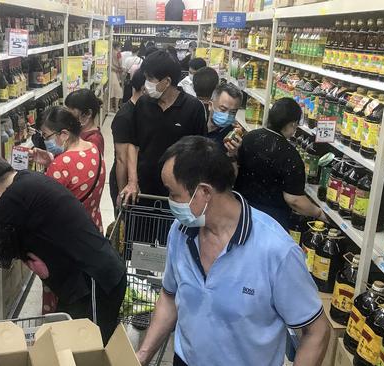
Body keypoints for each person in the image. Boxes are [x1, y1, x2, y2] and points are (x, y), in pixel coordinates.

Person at [136, 136, 330, 366]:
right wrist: (141, 356)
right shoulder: (181, 231)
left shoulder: (276, 251)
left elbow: (316, 332)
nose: (170, 201)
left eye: (174, 194)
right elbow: (169, 296)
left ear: (204, 193)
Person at [0, 154, 126, 343]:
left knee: (87, 350)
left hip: (95, 282)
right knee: (67, 344)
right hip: (85, 281)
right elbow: (1, 228)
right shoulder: (25, 181)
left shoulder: (13, 198)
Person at [31, 106, 107, 315]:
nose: (45, 140)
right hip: (91, 231)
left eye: (46, 136)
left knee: (61, 299)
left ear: (64, 134)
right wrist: (51, 160)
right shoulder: (93, 149)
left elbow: (43, 209)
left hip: (64, 244)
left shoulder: (62, 165)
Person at [120, 50, 207, 204]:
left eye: (149, 79)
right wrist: (133, 181)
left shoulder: (193, 108)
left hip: (178, 192)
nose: (146, 84)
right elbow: (133, 144)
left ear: (166, 81)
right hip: (144, 189)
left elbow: (200, 154)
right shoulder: (143, 104)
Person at [233, 98, 328, 229]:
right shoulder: (290, 155)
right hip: (270, 221)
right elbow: (294, 200)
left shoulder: (249, 137)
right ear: (292, 124)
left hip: (240, 209)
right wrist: (318, 212)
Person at [110, 70, 145, 209]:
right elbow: (121, 159)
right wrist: (122, 191)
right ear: (144, 88)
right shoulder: (125, 116)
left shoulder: (142, 110)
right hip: (122, 181)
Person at [64, 89, 105, 153]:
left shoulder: (94, 139)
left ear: (88, 113)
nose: (68, 113)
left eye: (72, 109)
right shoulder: (79, 130)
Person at [205, 83, 243, 150]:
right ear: (210, 105)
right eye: (223, 109)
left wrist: (232, 153)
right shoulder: (196, 121)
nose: (227, 115)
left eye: (233, 112)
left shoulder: (231, 136)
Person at [109, 41, 124, 110]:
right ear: (117, 47)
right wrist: (121, 69)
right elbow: (120, 64)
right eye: (120, 47)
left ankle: (111, 107)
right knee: (118, 91)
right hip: (116, 73)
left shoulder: (110, 52)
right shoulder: (118, 53)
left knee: (111, 90)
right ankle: (116, 108)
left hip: (110, 72)